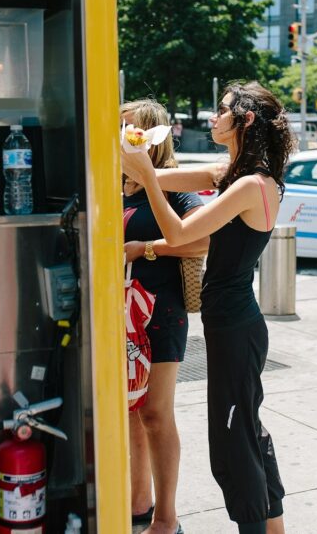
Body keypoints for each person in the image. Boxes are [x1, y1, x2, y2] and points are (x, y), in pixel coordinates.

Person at [121, 81, 293, 534]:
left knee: (232, 444)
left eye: (221, 111)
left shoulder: (251, 185)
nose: (213, 118)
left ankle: (256, 527)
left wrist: (141, 172)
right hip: (230, 324)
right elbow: (152, 180)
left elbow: (179, 235)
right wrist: (130, 158)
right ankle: (273, 528)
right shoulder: (231, 175)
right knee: (247, 432)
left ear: (246, 119)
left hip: (237, 327)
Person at [121, 100, 208, 534]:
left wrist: (146, 248)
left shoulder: (174, 186)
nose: (120, 139)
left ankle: (167, 518)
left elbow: (201, 241)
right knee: (130, 412)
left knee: (155, 413)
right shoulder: (115, 186)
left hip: (161, 312)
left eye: (130, 130)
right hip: (118, 313)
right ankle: (139, 504)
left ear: (151, 136)